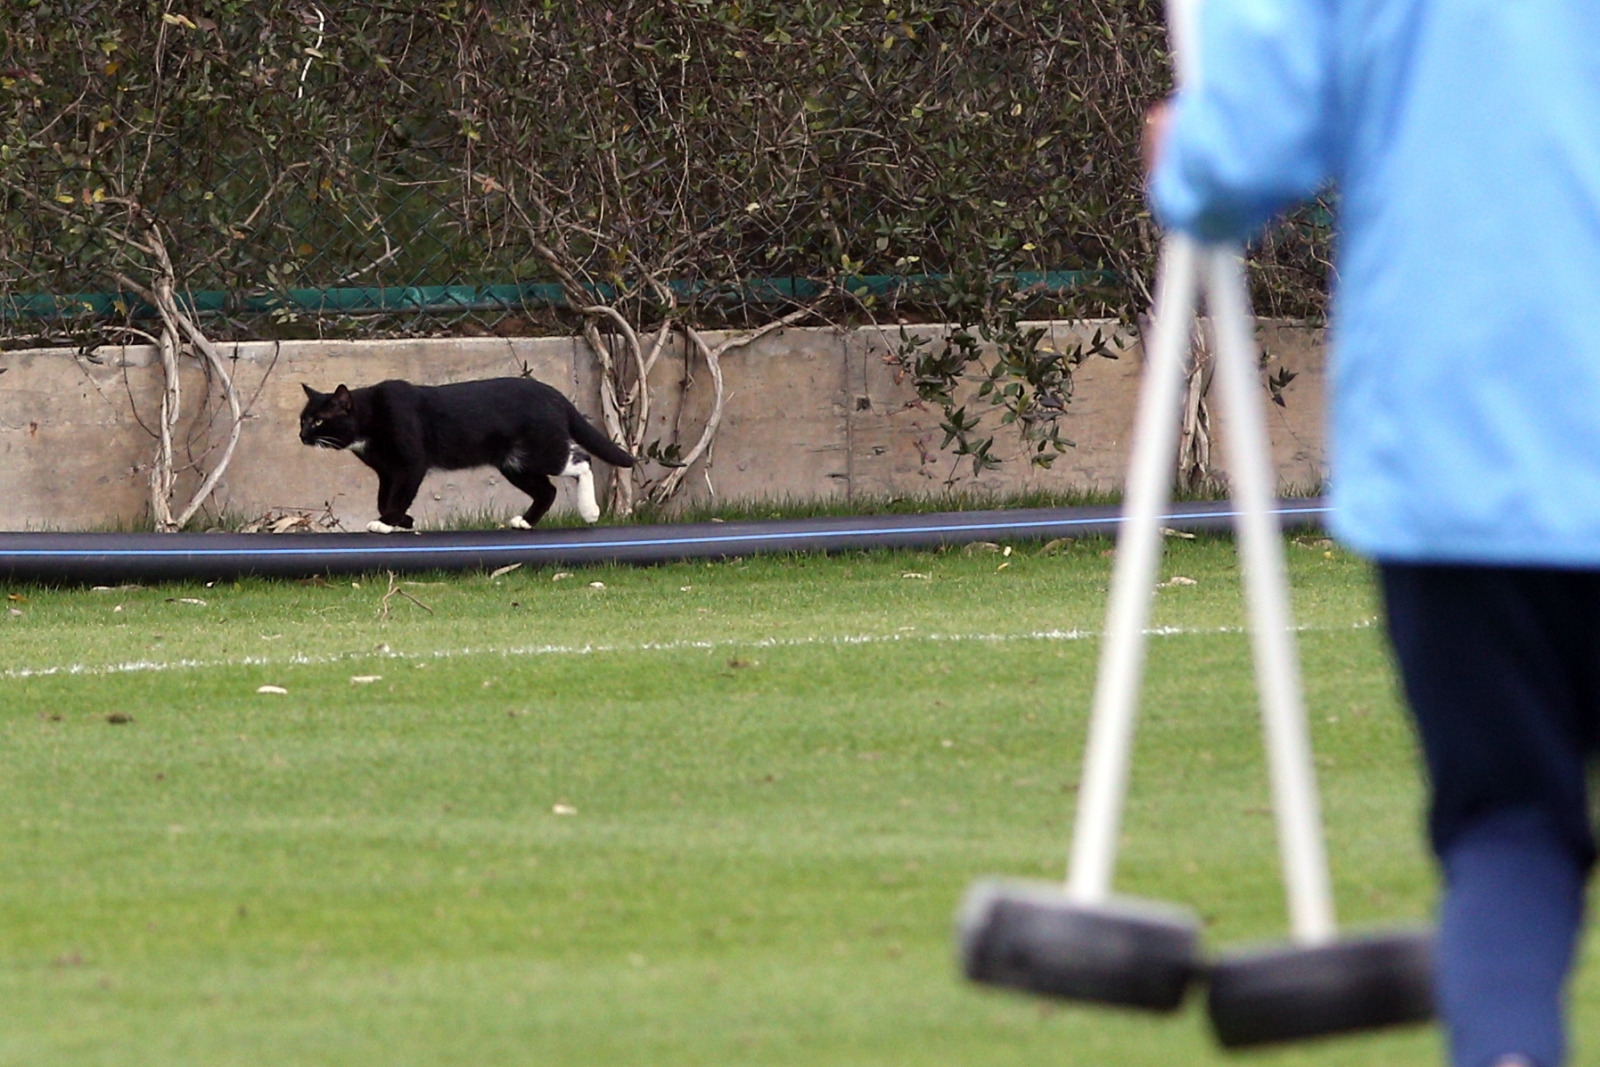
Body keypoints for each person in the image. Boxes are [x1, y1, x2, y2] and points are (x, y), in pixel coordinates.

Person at [1145, 3, 1600, 1066]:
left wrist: (1189, 157)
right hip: (1464, 469)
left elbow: (1247, 145)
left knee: (1507, 835)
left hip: (1463, 460)